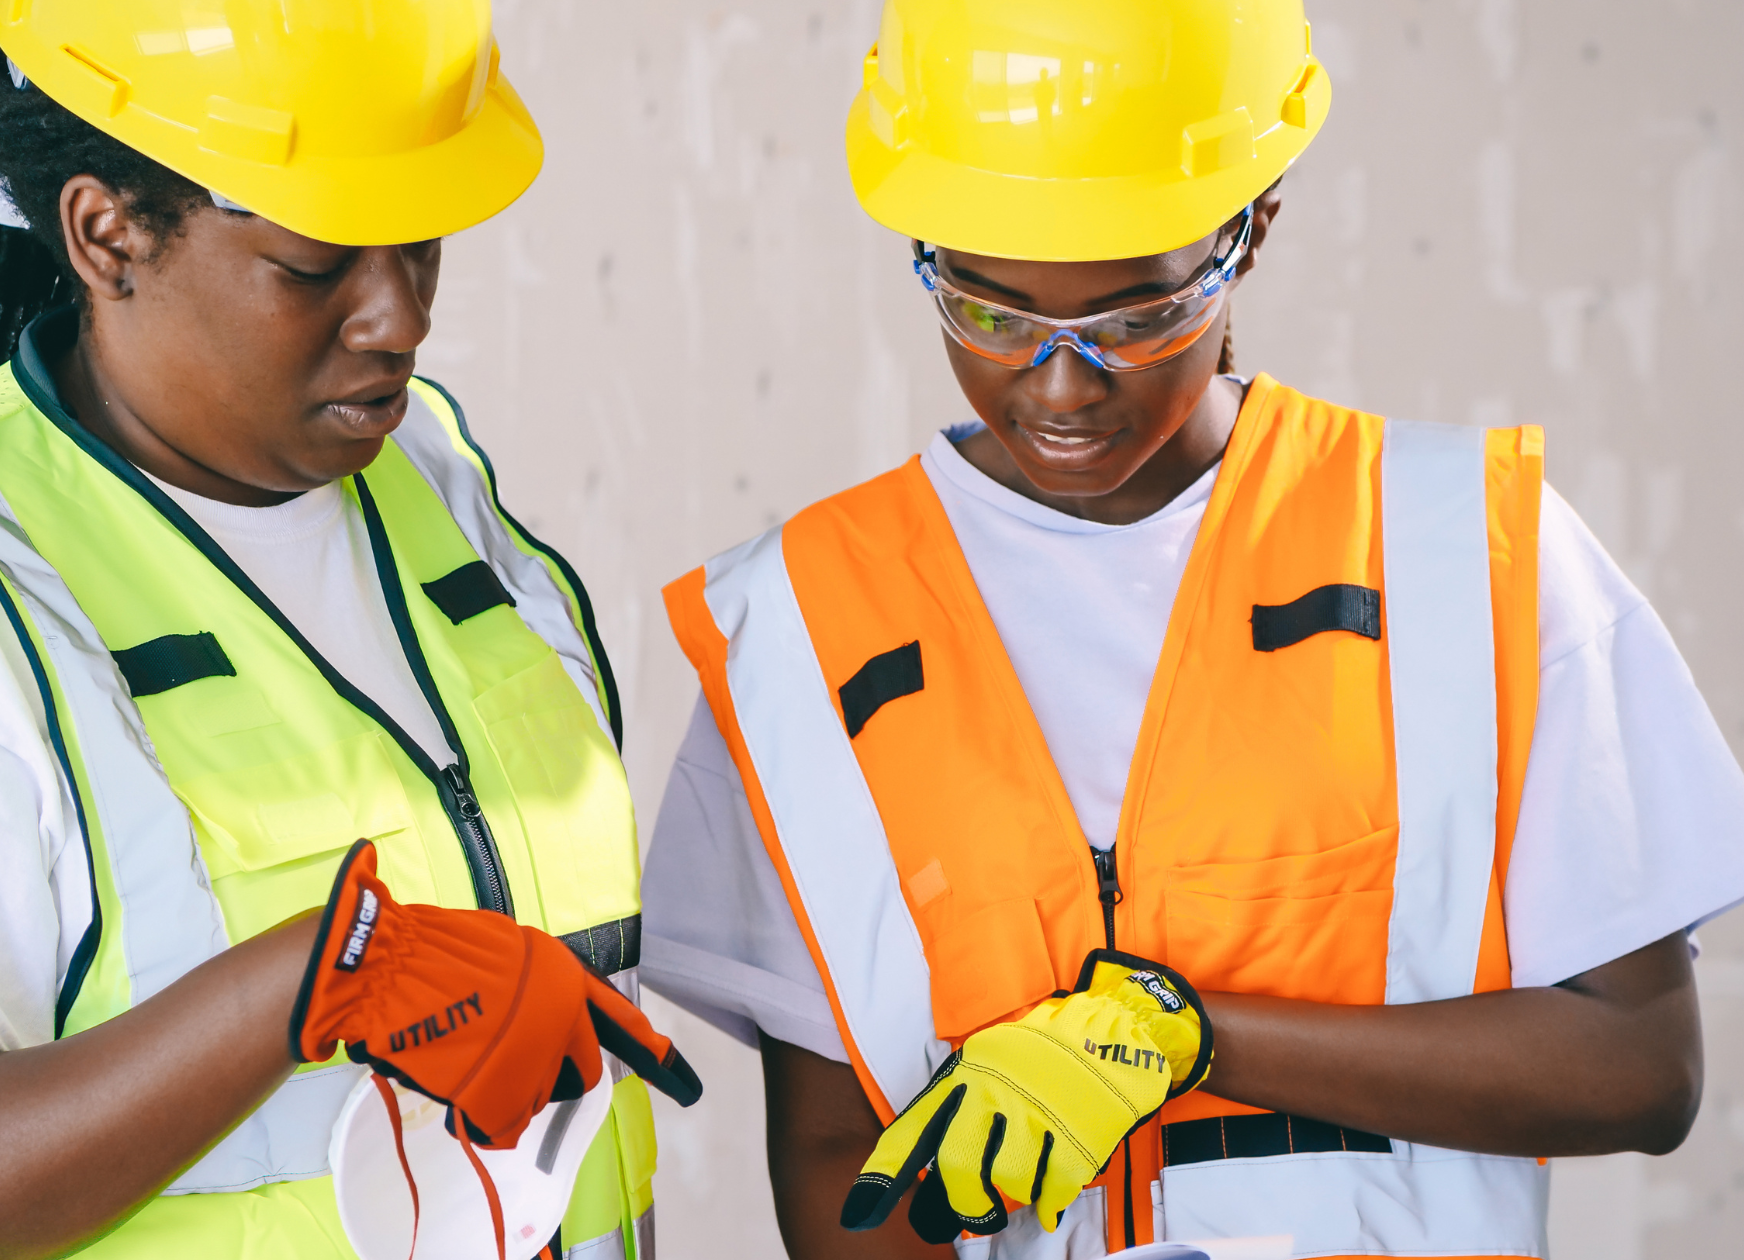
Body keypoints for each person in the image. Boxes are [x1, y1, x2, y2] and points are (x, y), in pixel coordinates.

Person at [640, 1, 1743, 1257]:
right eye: (989, 312)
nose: (1059, 386)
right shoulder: (800, 623)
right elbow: (838, 1152)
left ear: (1249, 229)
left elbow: (1638, 1067)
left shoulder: (1460, 549)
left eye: (1131, 320)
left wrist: (1188, 1038)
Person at [0, 3, 698, 1258]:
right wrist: (309, 982)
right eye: (316, 262)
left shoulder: (432, 485)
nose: (399, 318)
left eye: (419, 242)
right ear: (107, 234)